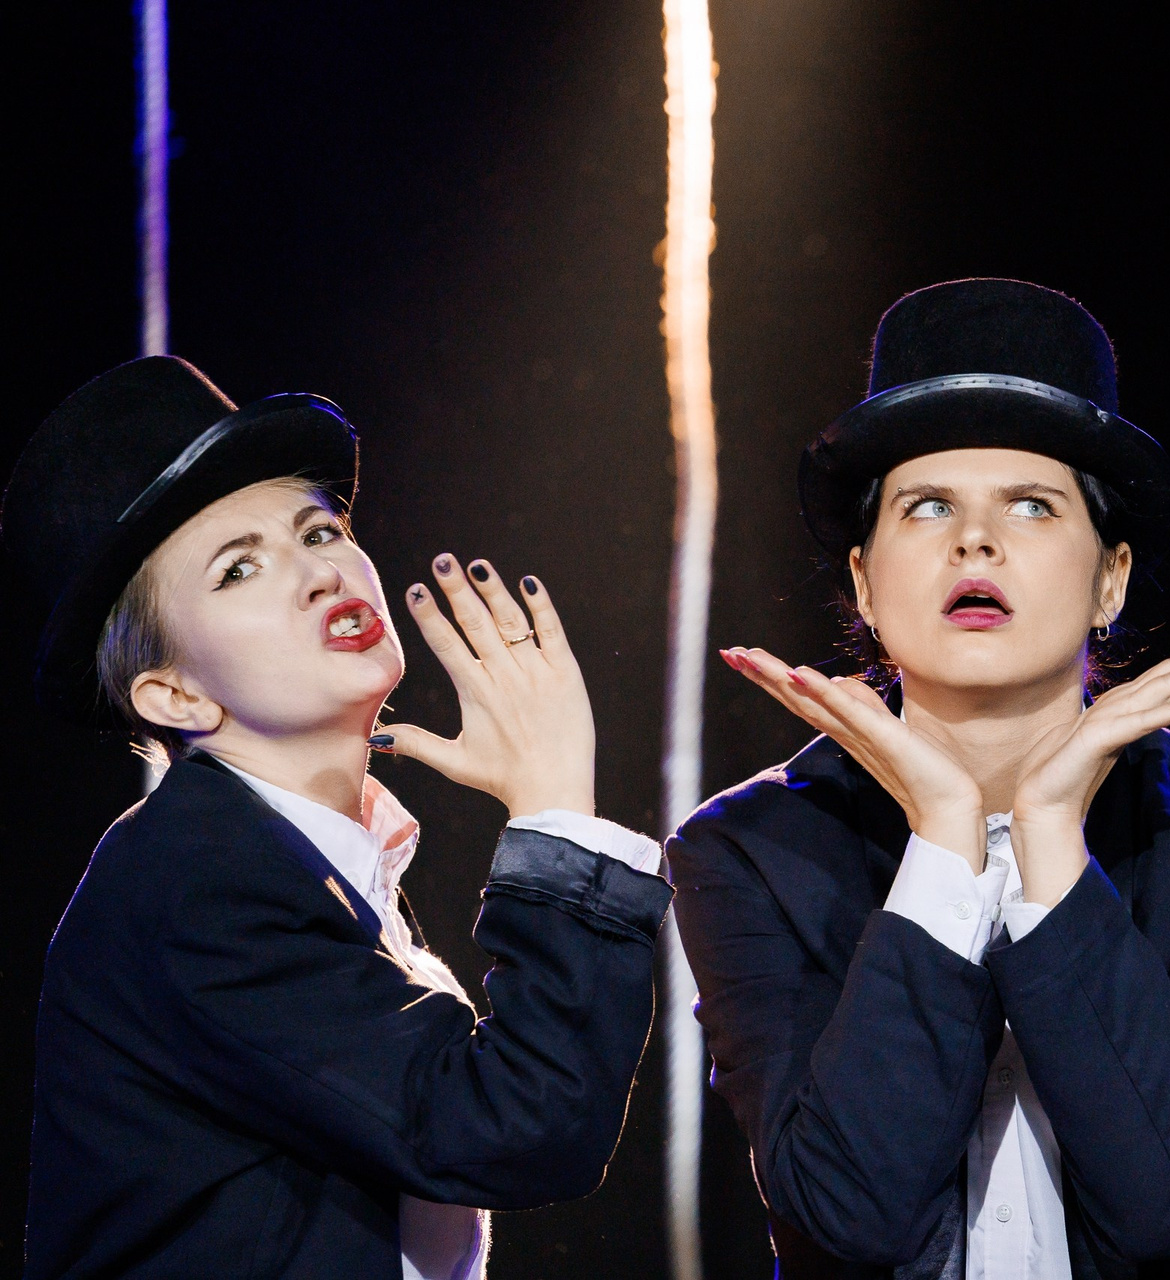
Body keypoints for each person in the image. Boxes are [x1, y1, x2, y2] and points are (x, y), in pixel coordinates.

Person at [668, 278, 1170, 1278]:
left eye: (1031, 505)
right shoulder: (752, 848)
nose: (973, 539)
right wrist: (945, 837)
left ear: (1111, 578)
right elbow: (852, 1212)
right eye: (928, 506)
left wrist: (1050, 839)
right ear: (863, 580)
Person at [7, 357, 675, 1279]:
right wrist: (555, 804)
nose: (318, 573)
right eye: (239, 569)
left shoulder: (303, 858)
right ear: (174, 694)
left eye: (319, 530)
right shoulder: (192, 885)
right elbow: (514, 1127)